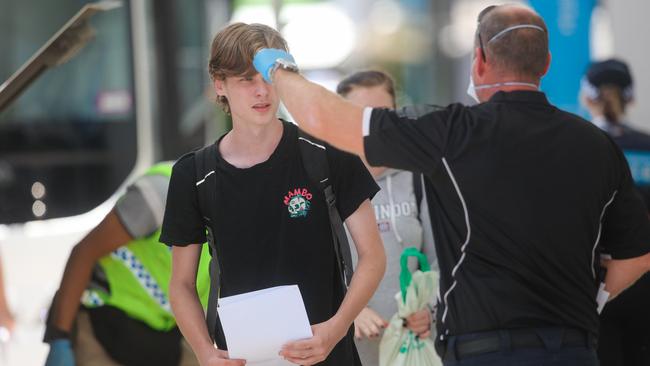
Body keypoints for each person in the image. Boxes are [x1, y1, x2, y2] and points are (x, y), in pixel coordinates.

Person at [252, 4, 650, 365]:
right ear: (545, 63)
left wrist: (277, 68)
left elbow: (326, 119)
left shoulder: (450, 133)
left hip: (483, 352)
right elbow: (637, 256)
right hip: (572, 351)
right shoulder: (596, 145)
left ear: (478, 60)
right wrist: (592, 300)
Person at [159, 23, 385, 366]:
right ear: (220, 85)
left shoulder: (327, 154)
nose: (261, 91)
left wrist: (336, 328)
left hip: (328, 355)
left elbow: (373, 257)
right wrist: (205, 352)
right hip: (244, 359)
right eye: (246, 80)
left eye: (269, 78)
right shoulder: (194, 175)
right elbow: (181, 285)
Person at [43, 162, 212, 366]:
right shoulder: (163, 194)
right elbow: (84, 253)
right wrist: (60, 338)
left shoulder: (235, 233)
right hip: (100, 326)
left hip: (157, 339)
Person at [336, 70, 439, 365]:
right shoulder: (329, 183)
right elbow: (312, 267)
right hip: (351, 351)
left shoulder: (419, 179)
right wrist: (349, 311)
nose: (372, 125)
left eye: (381, 114)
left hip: (411, 350)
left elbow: (439, 260)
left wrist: (429, 310)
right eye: (361, 114)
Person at [581, 58, 650, 366]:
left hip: (594, 285)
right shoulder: (646, 147)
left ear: (587, 97)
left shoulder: (578, 145)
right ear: (631, 97)